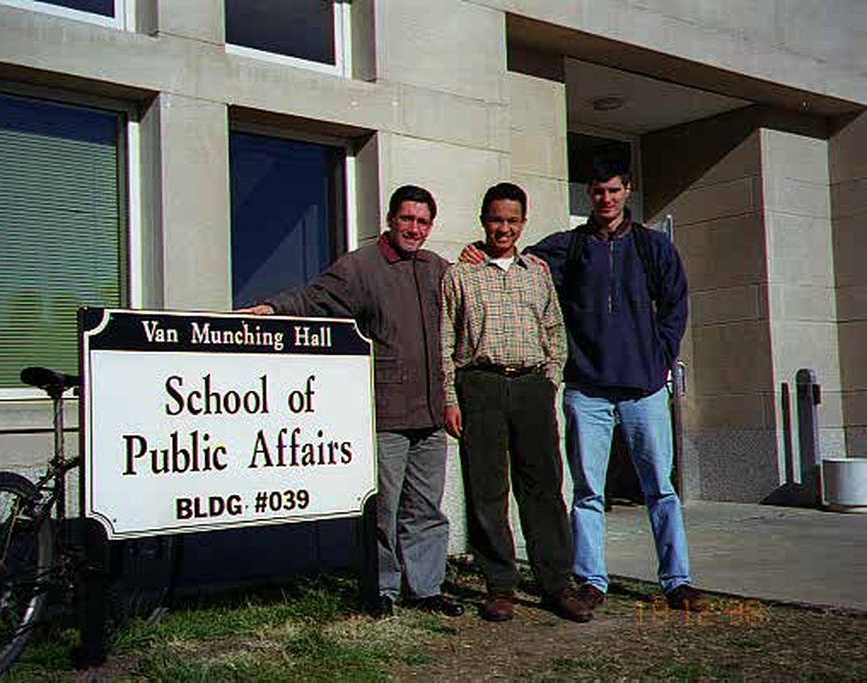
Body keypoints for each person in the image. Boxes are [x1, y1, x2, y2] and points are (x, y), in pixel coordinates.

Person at [462, 161, 705, 613]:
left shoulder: (653, 247)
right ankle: (591, 580)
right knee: (589, 491)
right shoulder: (567, 247)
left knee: (660, 488)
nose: (606, 199)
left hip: (644, 388)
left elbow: (675, 306)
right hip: (587, 388)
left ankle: (677, 581)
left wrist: (659, 358)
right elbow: (513, 255)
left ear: (627, 191)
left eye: (614, 191)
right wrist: (477, 249)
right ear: (589, 195)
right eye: (597, 192)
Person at [241, 185, 463, 618]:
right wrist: (272, 308)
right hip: (385, 412)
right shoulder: (362, 266)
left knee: (425, 508)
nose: (414, 229)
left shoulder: (438, 268)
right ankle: (383, 589)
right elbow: (313, 297)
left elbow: (469, 300)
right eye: (406, 219)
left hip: (432, 413)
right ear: (390, 219)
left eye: (422, 222)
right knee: (383, 509)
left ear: (430, 226)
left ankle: (426, 588)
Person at [441, 183, 591, 623]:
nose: (503, 228)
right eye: (495, 219)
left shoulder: (537, 272)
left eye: (511, 220)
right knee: (488, 491)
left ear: (522, 223)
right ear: (483, 220)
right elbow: (445, 341)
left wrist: (549, 381)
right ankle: (500, 586)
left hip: (531, 387)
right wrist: (451, 398)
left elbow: (555, 332)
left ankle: (556, 584)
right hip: (480, 386)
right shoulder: (460, 274)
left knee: (543, 489)